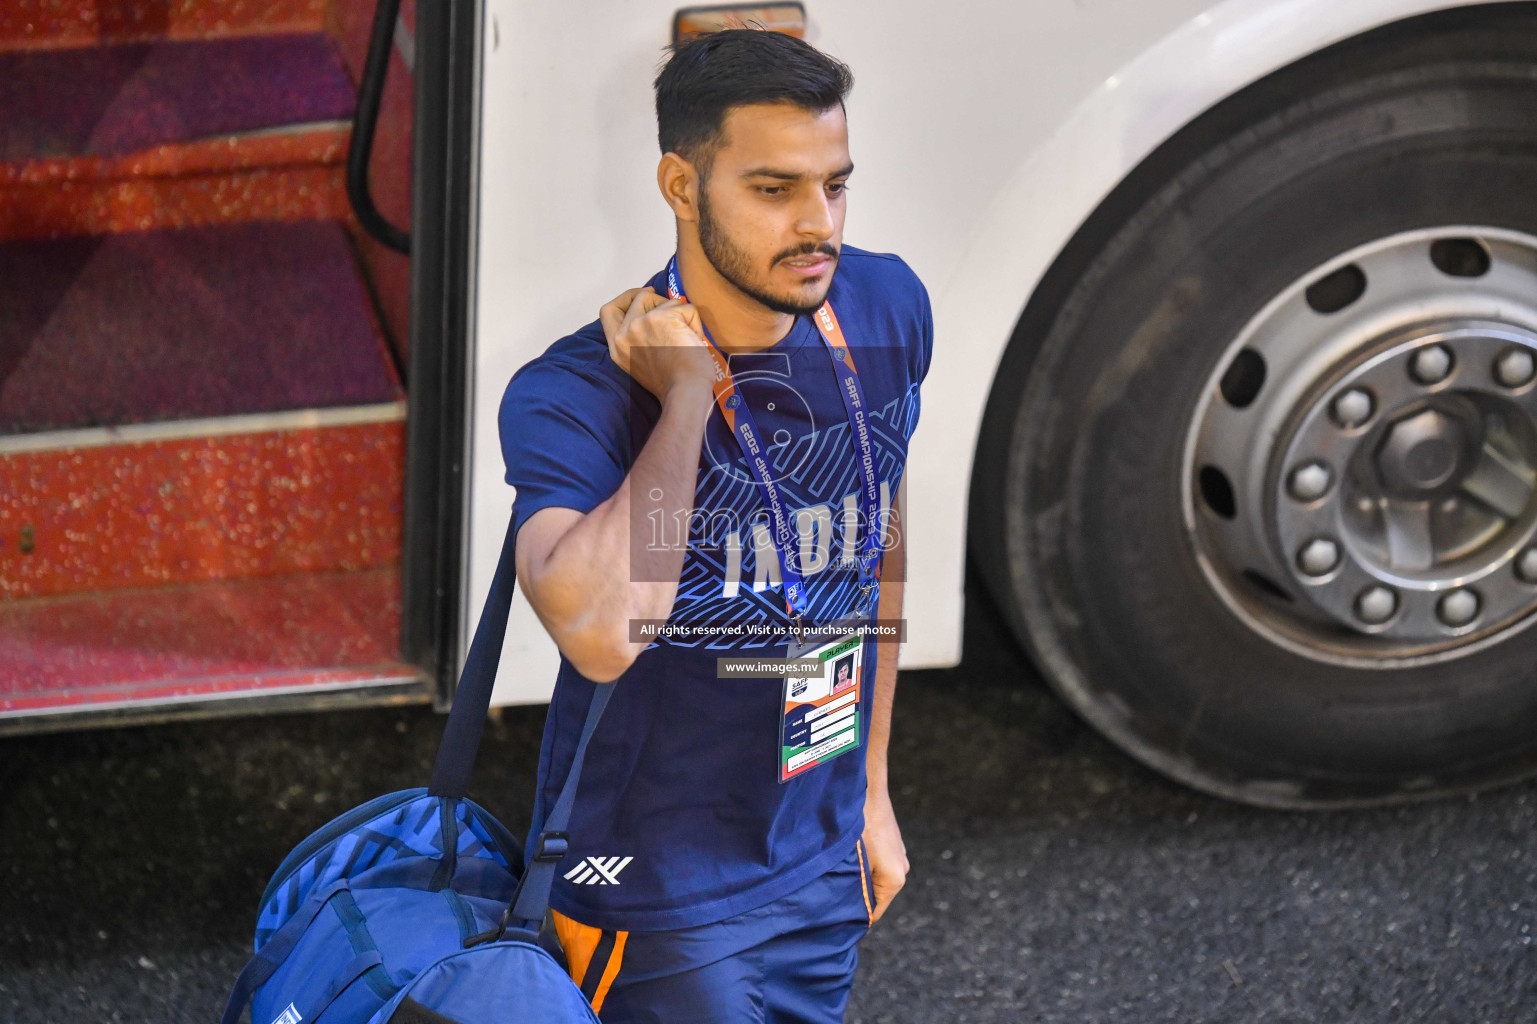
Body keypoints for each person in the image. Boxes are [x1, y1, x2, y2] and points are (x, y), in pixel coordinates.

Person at [499, 27, 933, 1023]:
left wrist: (868, 787)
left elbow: (873, 544)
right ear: (680, 185)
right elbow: (604, 637)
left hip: (820, 854)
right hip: (654, 888)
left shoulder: (884, 305)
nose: (818, 224)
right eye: (773, 190)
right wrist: (689, 396)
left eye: (835, 184)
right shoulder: (575, 394)